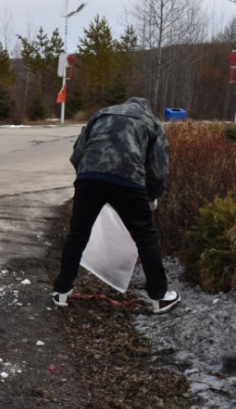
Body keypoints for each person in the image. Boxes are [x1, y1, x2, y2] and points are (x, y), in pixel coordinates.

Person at [52, 96, 181, 314]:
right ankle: (159, 298)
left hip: (89, 177)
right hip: (128, 180)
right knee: (146, 238)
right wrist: (151, 196)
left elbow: (78, 153)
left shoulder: (102, 114)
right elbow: (159, 168)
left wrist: (86, 179)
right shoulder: (150, 121)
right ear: (147, 108)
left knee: (77, 235)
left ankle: (61, 292)